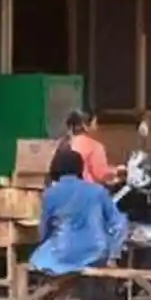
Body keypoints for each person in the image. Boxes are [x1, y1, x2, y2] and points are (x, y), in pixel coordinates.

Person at [30, 148, 129, 278]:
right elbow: (120, 223)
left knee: (36, 258)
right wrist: (113, 254)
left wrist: (45, 243)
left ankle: (46, 295)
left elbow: (44, 229)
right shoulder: (98, 191)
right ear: (80, 168)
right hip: (97, 253)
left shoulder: (50, 194)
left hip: (63, 253)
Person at [58, 108, 123, 185]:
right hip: (86, 189)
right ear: (85, 125)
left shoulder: (62, 144)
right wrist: (118, 171)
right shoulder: (94, 146)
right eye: (95, 123)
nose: (97, 127)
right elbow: (101, 174)